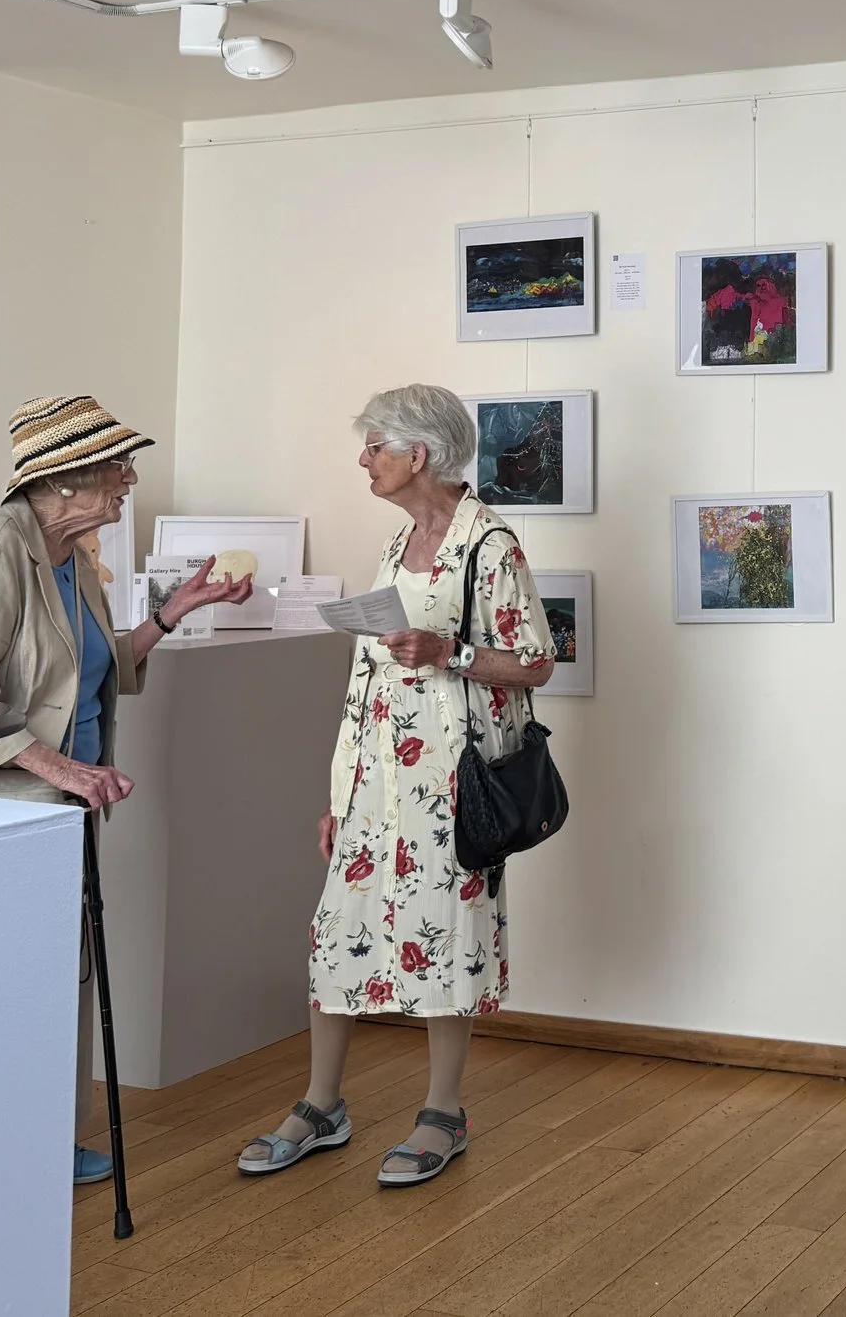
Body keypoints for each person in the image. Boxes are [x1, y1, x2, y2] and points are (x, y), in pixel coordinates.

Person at [0, 394, 252, 1185]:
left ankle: (38, 1138)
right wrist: (65, 769)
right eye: (116, 467)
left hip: (52, 809)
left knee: (52, 979)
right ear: (65, 479)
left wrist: (170, 615)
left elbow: (85, 663)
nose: (129, 480)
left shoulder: (72, 552)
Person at [240, 383, 555, 1187]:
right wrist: (340, 793)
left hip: (453, 782)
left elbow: (537, 663)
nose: (363, 458)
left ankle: (443, 1112)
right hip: (377, 780)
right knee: (336, 931)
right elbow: (362, 680)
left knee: (448, 930)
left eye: (375, 444)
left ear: (419, 455)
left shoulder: (491, 544)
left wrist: (445, 649)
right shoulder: (394, 543)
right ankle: (321, 1105)